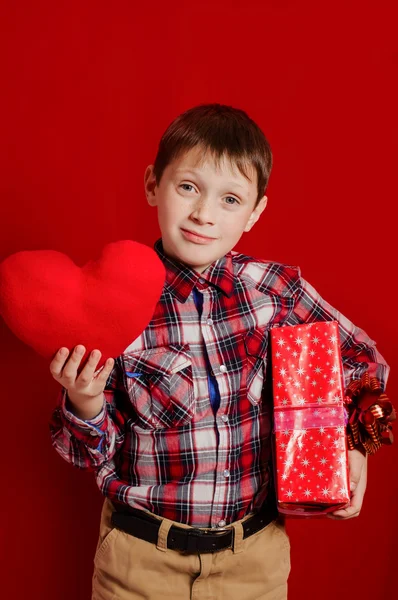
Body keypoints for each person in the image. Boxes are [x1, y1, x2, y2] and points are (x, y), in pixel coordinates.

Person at [49, 104, 391, 600]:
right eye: (188, 187)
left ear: (255, 212)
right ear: (153, 185)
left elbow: (363, 361)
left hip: (253, 561)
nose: (203, 214)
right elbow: (88, 452)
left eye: (230, 199)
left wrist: (354, 446)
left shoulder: (276, 292)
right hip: (141, 560)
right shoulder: (116, 303)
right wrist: (85, 402)